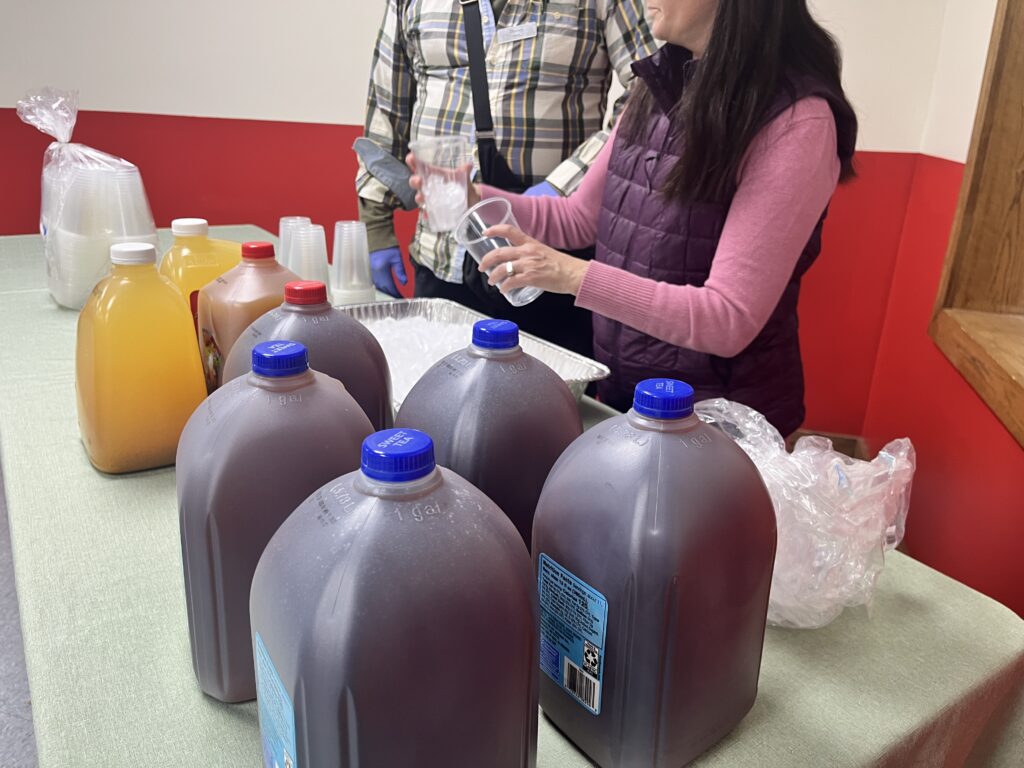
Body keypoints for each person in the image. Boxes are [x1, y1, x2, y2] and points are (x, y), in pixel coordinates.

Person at [412, 0, 858, 436]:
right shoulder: (656, 86)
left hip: (721, 427)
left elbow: (728, 318)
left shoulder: (798, 122)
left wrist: (571, 275)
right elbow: (578, 218)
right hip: (629, 399)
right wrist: (473, 196)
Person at [357, 0, 656, 356]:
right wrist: (376, 226)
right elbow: (387, 109)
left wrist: (565, 184)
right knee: (434, 401)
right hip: (440, 256)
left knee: (547, 406)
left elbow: (651, 89)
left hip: (546, 262)